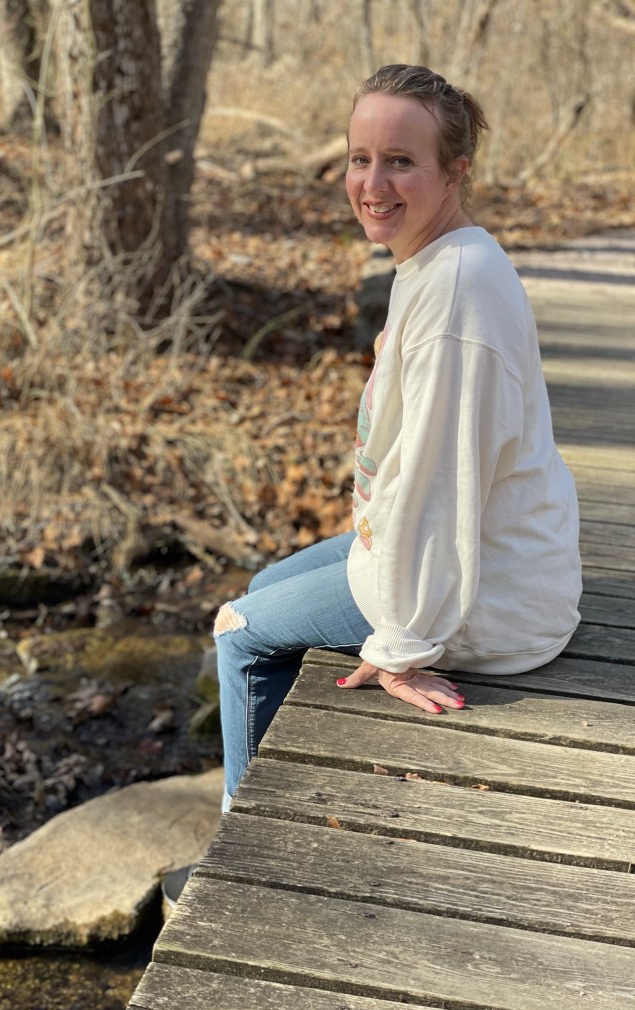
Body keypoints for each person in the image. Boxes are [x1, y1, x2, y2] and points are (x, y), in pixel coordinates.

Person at [213, 64, 582, 810]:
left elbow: (437, 483)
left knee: (238, 632)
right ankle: (290, 773)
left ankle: (242, 832)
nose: (373, 183)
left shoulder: (457, 296)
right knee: (263, 588)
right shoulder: (437, 258)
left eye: (401, 161)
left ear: (455, 170)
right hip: (463, 549)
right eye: (361, 158)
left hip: (489, 591)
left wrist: (402, 645)